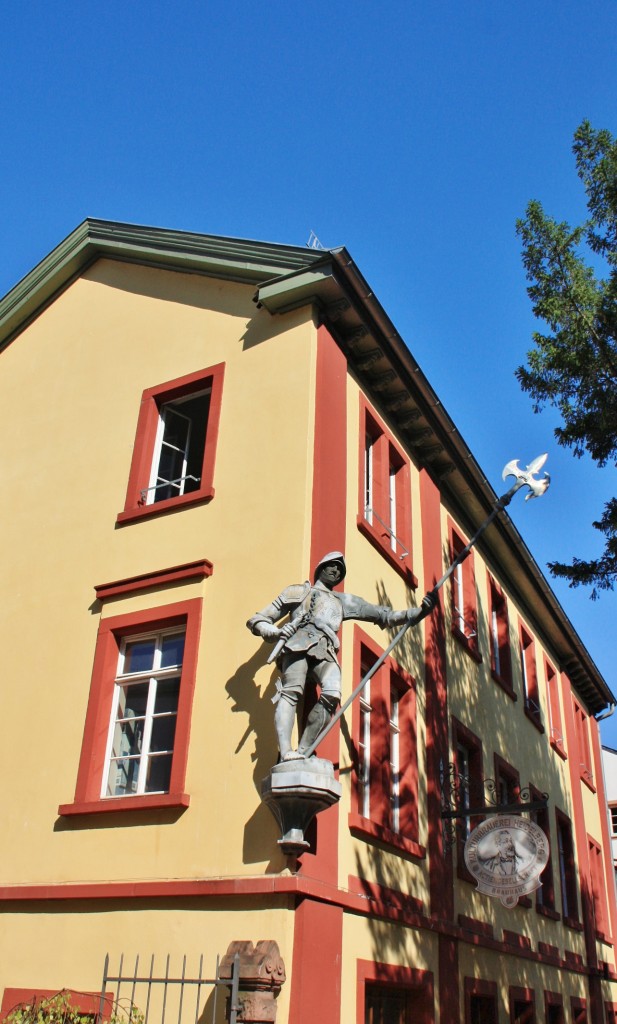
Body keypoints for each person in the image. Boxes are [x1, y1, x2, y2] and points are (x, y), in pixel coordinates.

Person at [247, 552, 435, 761]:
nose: (336, 571)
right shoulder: (298, 591)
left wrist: (419, 613)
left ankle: (303, 752)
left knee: (332, 693)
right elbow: (258, 620)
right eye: (332, 565)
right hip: (297, 645)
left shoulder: (343, 601)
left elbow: (384, 615)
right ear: (321, 566)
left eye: (340, 570)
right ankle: (286, 752)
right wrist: (275, 632)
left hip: (325, 650)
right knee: (291, 692)